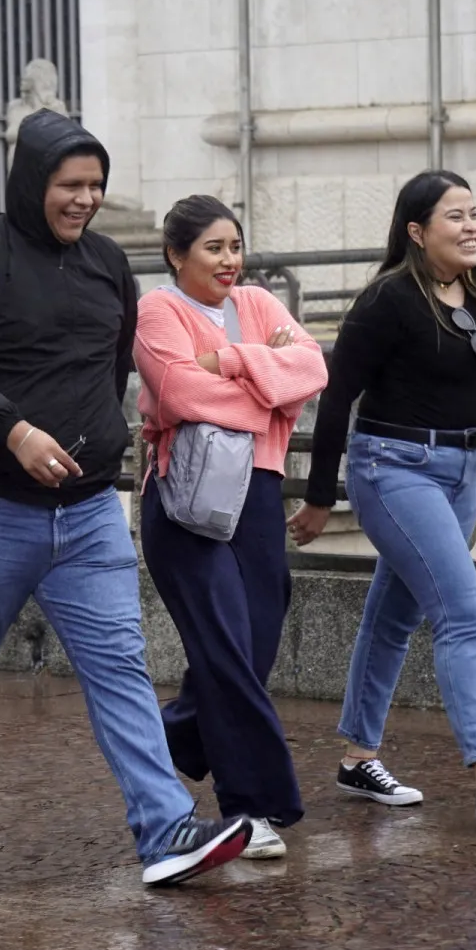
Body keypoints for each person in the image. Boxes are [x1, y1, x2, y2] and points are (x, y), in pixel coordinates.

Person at [0, 109, 252, 888]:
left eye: (95, 185)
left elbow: (109, 367)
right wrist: (16, 431)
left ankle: (165, 830)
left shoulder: (106, 264)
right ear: (32, 181)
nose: (85, 199)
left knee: (120, 667)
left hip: (89, 513)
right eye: (69, 184)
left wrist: (93, 441)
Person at [287, 170, 476, 820]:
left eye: (475, 213)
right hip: (394, 468)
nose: (472, 227)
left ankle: (358, 758)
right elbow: (337, 397)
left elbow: (475, 379)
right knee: (461, 611)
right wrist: (321, 496)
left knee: (393, 617)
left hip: (463, 468)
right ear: (417, 230)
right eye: (455, 216)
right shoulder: (388, 300)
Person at [134, 195, 328, 860]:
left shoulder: (259, 304)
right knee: (224, 648)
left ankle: (165, 741)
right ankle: (252, 807)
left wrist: (232, 362)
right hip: (186, 501)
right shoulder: (158, 311)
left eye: (235, 247)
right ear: (176, 254)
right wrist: (268, 387)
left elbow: (314, 370)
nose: (228, 261)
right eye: (213, 248)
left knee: (253, 647)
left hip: (259, 495)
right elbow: (180, 394)